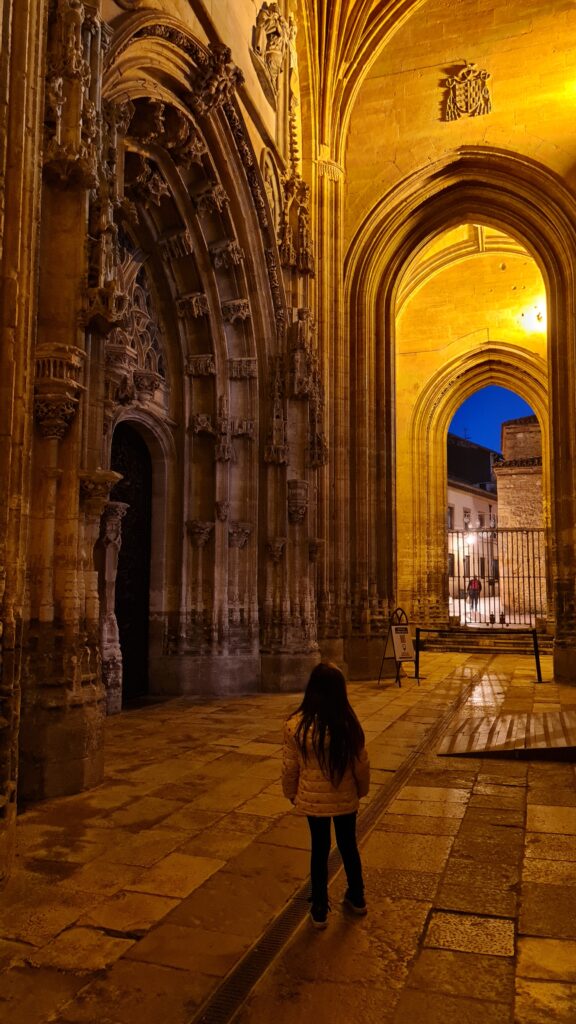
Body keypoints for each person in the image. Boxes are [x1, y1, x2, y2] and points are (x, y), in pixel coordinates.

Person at [282, 661, 370, 929]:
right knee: (348, 845)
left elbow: (290, 766)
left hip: (313, 800)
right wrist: (361, 789)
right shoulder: (348, 724)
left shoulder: (296, 726)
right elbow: (361, 764)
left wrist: (290, 792)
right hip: (345, 797)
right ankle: (357, 896)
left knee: (319, 849)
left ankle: (319, 907)